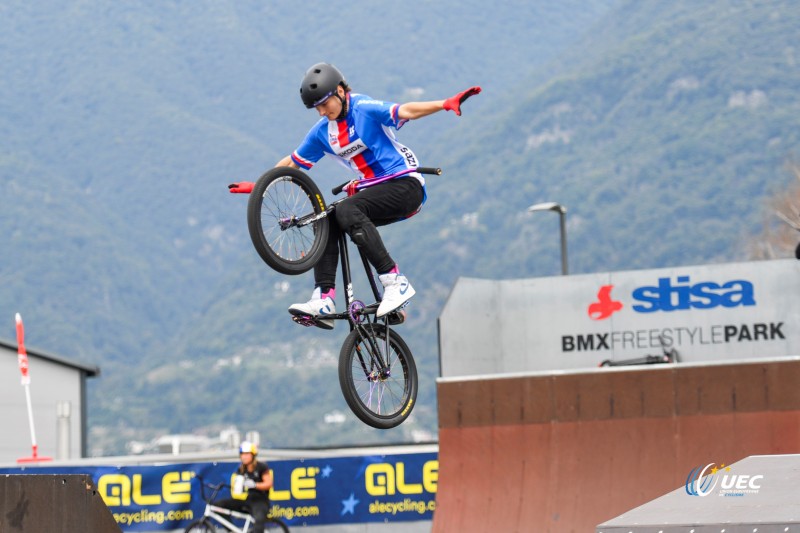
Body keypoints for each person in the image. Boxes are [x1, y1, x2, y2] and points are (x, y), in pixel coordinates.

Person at [275, 62, 481, 329]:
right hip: (375, 191)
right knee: (324, 218)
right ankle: (324, 298)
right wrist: (261, 185)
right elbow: (293, 162)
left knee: (347, 210)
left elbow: (405, 109)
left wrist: (444, 103)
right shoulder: (322, 132)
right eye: (316, 107)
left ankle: (396, 282)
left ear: (339, 91)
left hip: (406, 185)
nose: (322, 111)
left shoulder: (363, 108)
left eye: (325, 103)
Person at [213, 441, 273, 533]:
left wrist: (255, 485)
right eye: (242, 454)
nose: (244, 457)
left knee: (259, 522)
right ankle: (232, 530)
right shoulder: (241, 469)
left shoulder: (261, 467)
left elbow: (268, 483)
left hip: (261, 501)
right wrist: (238, 486)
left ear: (253, 455)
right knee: (218, 506)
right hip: (248, 500)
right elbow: (238, 487)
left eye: (246, 454)